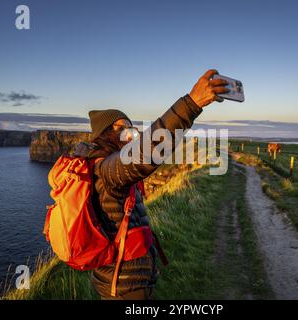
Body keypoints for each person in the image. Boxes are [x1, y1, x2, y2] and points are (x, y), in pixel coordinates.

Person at [73, 69, 229, 300]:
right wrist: (192, 103)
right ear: (103, 135)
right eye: (120, 129)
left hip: (127, 280)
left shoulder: (107, 164)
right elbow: (145, 153)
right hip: (125, 286)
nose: (129, 133)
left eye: (130, 128)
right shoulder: (104, 169)